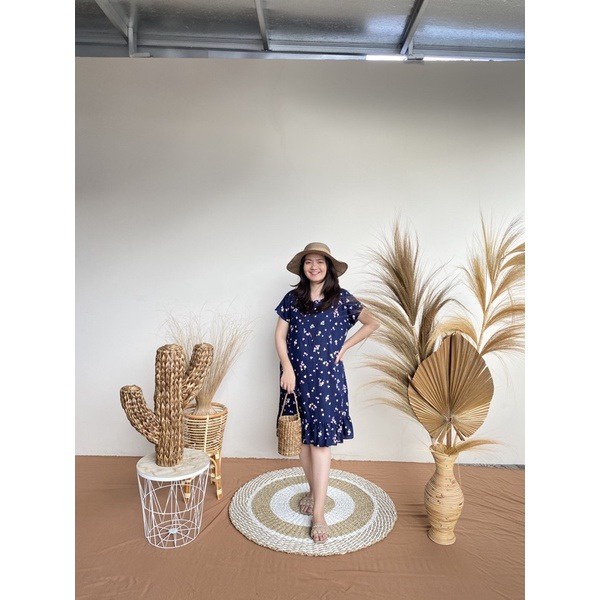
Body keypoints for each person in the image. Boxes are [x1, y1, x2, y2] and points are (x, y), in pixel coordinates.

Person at [274, 242, 379, 543]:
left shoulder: (342, 298)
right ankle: (313, 490)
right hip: (295, 379)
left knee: (319, 444)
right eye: (309, 261)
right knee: (302, 442)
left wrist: (345, 346)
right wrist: (287, 369)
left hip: (326, 380)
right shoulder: (293, 299)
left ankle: (319, 512)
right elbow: (279, 336)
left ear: (329, 267)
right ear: (303, 267)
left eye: (320, 261)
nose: (314, 266)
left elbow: (373, 322)